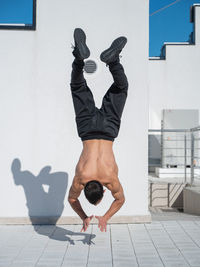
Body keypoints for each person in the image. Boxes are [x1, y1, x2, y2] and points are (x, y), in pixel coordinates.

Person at [68, 28, 128, 232]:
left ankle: (114, 62)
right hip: (86, 129)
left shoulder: (110, 179)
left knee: (121, 88)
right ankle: (79, 57)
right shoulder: (80, 179)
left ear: (103, 189)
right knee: (77, 87)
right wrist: (84, 215)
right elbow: (72, 199)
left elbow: (120, 200)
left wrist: (104, 218)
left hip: (109, 130)